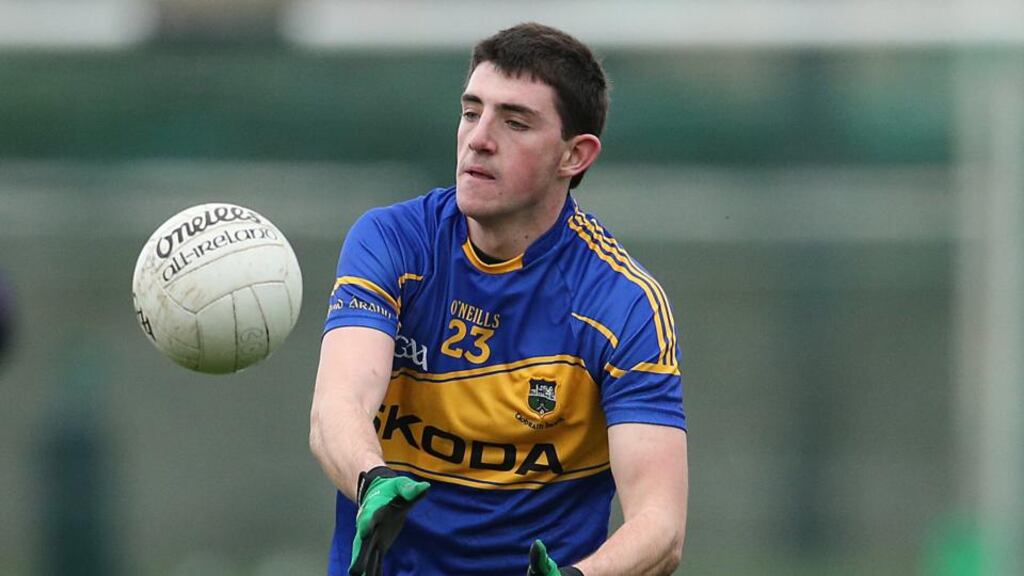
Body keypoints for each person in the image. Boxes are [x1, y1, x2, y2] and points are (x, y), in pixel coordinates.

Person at [310, 22, 688, 576]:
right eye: (471, 112)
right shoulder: (393, 243)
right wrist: (372, 479)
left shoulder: (623, 305)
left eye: (515, 122)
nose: (479, 138)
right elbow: (337, 405)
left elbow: (661, 526)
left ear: (574, 155)